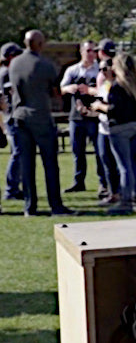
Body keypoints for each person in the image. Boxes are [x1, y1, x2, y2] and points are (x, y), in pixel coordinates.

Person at [8, 30, 75, 217]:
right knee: (50, 163)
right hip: (41, 118)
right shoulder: (45, 65)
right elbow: (55, 92)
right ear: (39, 44)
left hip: (20, 116)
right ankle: (56, 205)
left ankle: (30, 206)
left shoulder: (15, 63)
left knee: (27, 164)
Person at [90, 55, 136, 215]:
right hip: (135, 125)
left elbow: (114, 109)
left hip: (120, 128)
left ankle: (126, 201)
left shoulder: (118, 87)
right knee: (132, 163)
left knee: (124, 167)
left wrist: (99, 106)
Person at [60, 40, 103, 194]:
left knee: (100, 151)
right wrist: (69, 88)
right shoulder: (73, 70)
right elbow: (62, 88)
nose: (91, 54)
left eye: (93, 51)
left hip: (95, 116)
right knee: (78, 152)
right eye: (88, 51)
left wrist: (90, 90)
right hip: (76, 116)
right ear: (81, 52)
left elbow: (104, 89)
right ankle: (79, 182)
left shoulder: (99, 70)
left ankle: (103, 183)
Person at [94, 38, 122, 204]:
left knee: (119, 162)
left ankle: (123, 193)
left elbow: (112, 106)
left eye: (105, 69)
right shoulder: (103, 83)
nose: (103, 72)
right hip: (102, 126)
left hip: (115, 127)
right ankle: (113, 192)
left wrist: (100, 106)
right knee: (106, 161)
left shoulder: (117, 82)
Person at [1, 42, 24, 203]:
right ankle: (11, 189)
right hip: (11, 116)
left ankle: (14, 187)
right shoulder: (6, 73)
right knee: (17, 152)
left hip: (11, 116)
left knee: (18, 152)